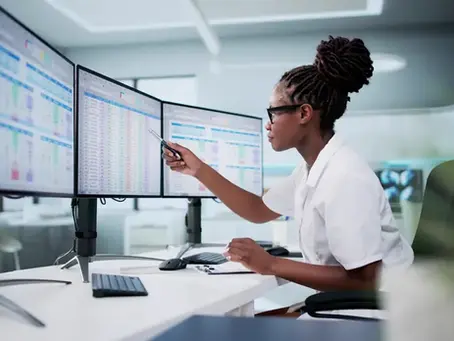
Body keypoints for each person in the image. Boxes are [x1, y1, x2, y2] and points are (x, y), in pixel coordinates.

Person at [163, 35, 414, 292]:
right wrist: (197, 169)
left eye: (273, 112)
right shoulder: (311, 169)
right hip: (346, 303)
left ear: (304, 113)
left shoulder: (344, 178)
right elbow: (258, 209)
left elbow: (366, 279)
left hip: (378, 313)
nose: (268, 124)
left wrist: (271, 264)